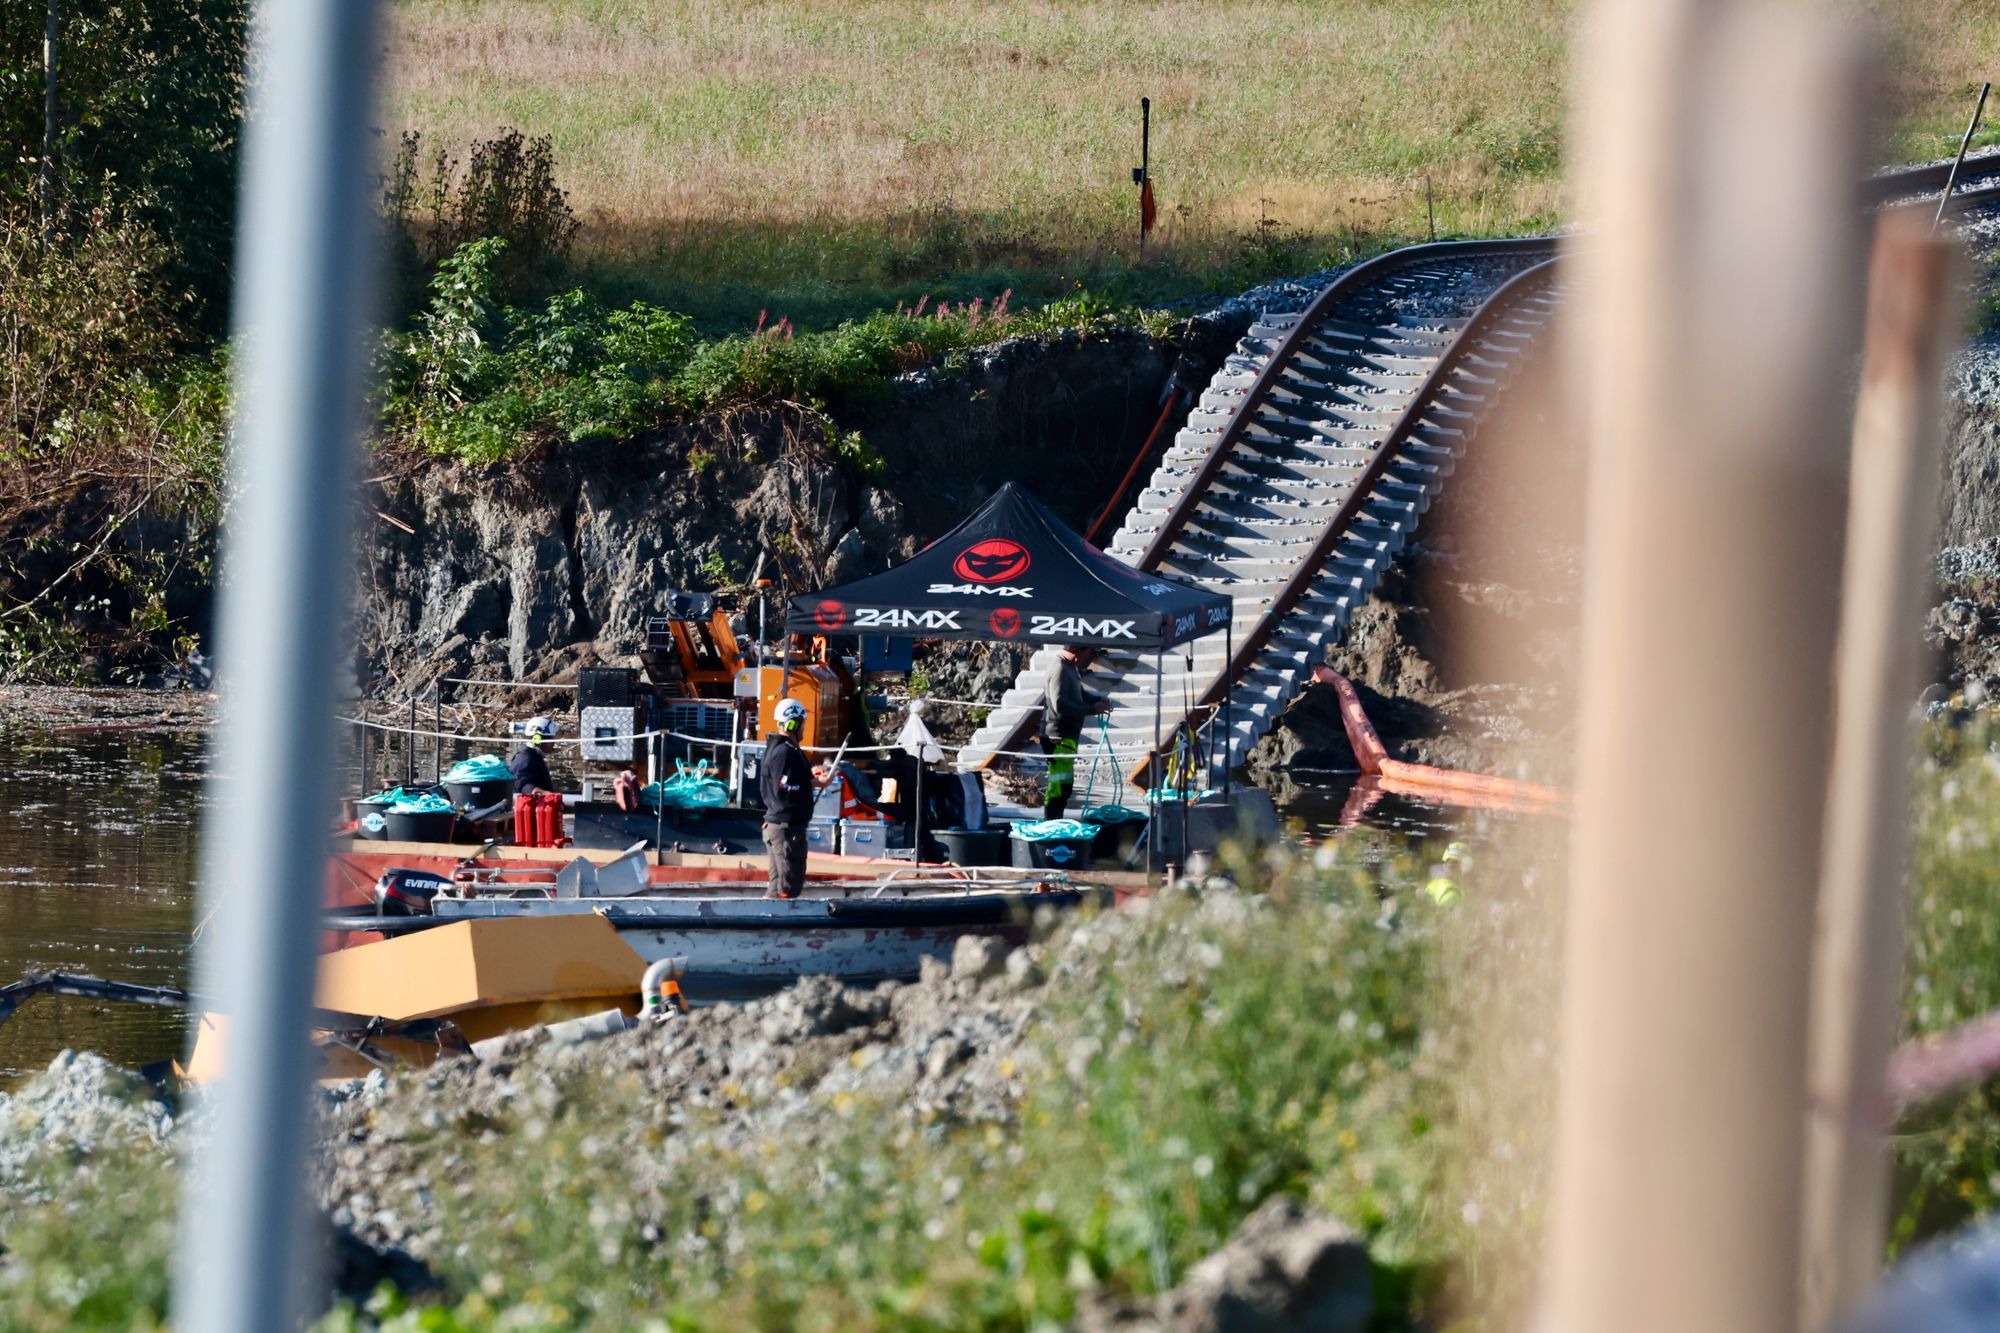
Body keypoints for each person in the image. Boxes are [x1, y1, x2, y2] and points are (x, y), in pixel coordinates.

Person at [1040, 645, 1108, 821]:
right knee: (1058, 786)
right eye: (1087, 653)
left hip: (1068, 736)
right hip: (1057, 737)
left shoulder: (1071, 667)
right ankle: (1051, 824)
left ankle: (1057, 821)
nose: (1089, 658)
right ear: (1076, 652)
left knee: (1065, 786)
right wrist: (1092, 709)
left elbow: (1079, 693)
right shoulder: (1059, 668)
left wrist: (1097, 700)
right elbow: (1059, 705)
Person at [759, 698, 815, 900]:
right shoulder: (784, 752)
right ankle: (776, 926)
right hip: (785, 829)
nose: (803, 729)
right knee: (787, 888)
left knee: (778, 886)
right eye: (802, 723)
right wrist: (806, 784)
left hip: (781, 828)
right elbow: (784, 787)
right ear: (793, 723)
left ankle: (766, 923)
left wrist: (813, 780)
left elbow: (789, 781)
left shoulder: (782, 749)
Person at [509, 716, 558, 795]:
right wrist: (543, 793)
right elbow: (523, 784)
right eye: (551, 739)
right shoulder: (525, 759)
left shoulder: (534, 757)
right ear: (537, 740)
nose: (554, 743)